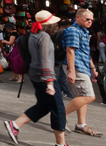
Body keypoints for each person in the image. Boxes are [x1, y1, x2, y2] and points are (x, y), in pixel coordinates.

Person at [4, 11, 67, 146]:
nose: (56, 25)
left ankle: (15, 124)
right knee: (58, 109)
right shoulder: (44, 36)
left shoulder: (34, 34)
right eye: (53, 23)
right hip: (45, 77)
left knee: (44, 106)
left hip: (36, 75)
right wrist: (49, 82)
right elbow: (45, 59)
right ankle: (61, 144)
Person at [62, 8, 102, 137]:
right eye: (87, 19)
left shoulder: (83, 31)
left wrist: (92, 68)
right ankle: (61, 117)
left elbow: (86, 52)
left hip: (83, 66)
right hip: (77, 67)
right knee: (89, 96)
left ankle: (81, 125)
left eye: (91, 20)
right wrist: (72, 72)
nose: (90, 22)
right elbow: (70, 51)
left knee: (81, 96)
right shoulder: (74, 31)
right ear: (77, 18)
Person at [54, 19, 73, 98]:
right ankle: (65, 91)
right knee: (63, 74)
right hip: (63, 54)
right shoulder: (64, 32)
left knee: (62, 73)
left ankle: (58, 89)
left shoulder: (58, 32)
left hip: (60, 54)